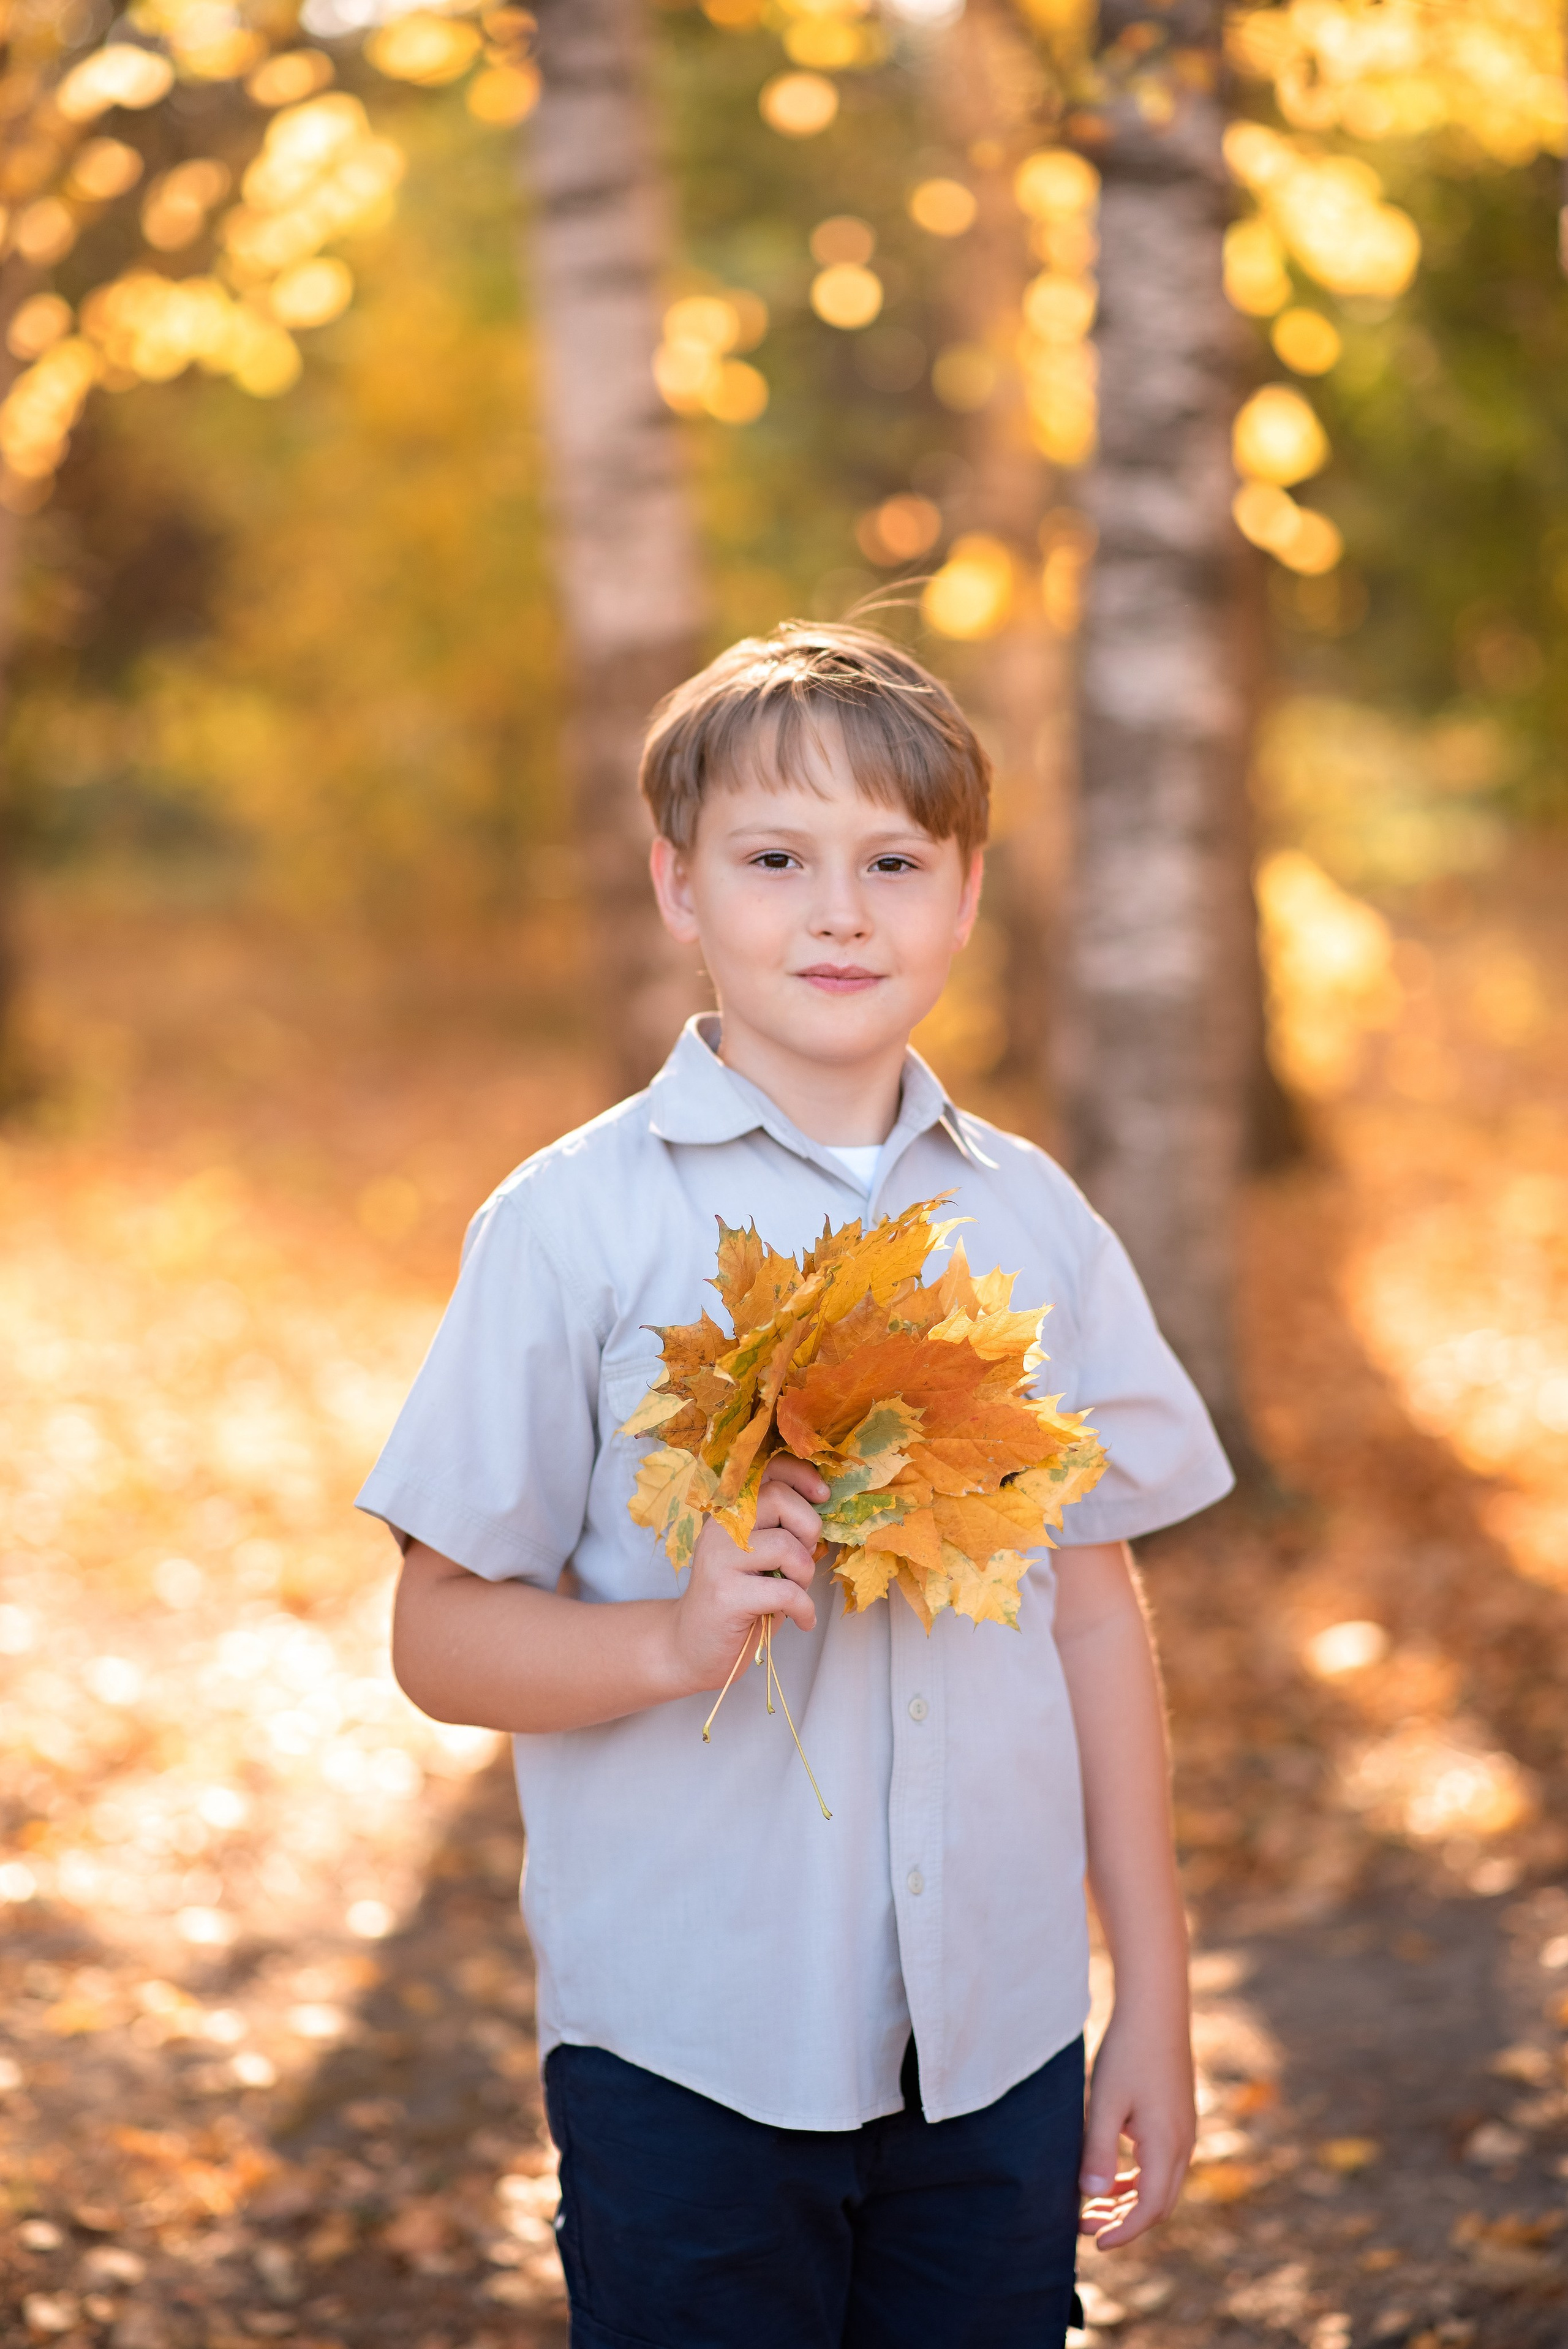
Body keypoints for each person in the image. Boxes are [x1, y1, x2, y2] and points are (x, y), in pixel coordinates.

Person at [361, 622, 1233, 2349]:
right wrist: (668, 1645)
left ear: (967, 893)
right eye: (777, 859)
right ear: (680, 884)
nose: (841, 911)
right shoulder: (575, 1225)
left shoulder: (1037, 1223)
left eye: (893, 862)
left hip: (992, 2046)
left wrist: (1156, 1992)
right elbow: (436, 1636)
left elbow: (1088, 1605)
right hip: (688, 2047)